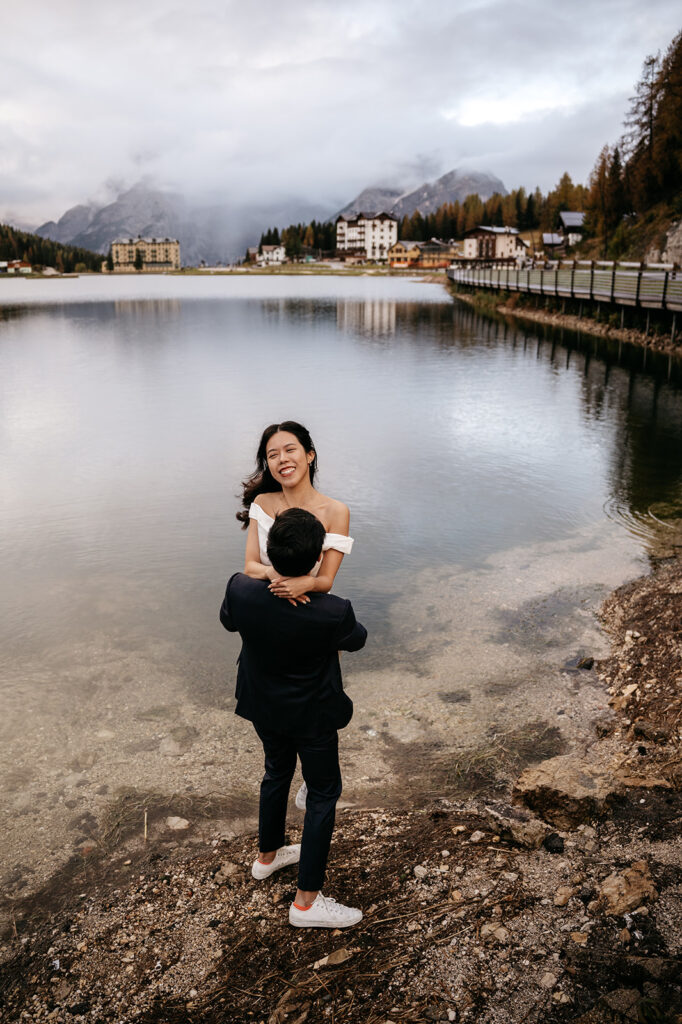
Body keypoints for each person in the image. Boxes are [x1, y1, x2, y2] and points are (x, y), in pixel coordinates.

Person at [220, 507, 367, 928]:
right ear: (318, 556)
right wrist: (311, 590)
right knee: (322, 793)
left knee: (276, 772)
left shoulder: (240, 588)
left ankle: (267, 857)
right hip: (312, 715)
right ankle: (306, 903)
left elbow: (228, 620)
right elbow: (357, 641)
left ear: (268, 550)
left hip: (262, 705)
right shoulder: (332, 610)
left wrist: (266, 578)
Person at [238, 420, 354, 808]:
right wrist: (279, 576)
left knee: (314, 705)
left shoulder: (336, 511)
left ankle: (313, 785)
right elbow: (252, 566)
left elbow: (327, 581)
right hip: (271, 615)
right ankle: (311, 788)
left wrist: (306, 584)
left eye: (289, 450)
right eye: (272, 455)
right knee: (279, 725)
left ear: (309, 454)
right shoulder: (263, 504)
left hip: (309, 615)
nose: (281, 460)